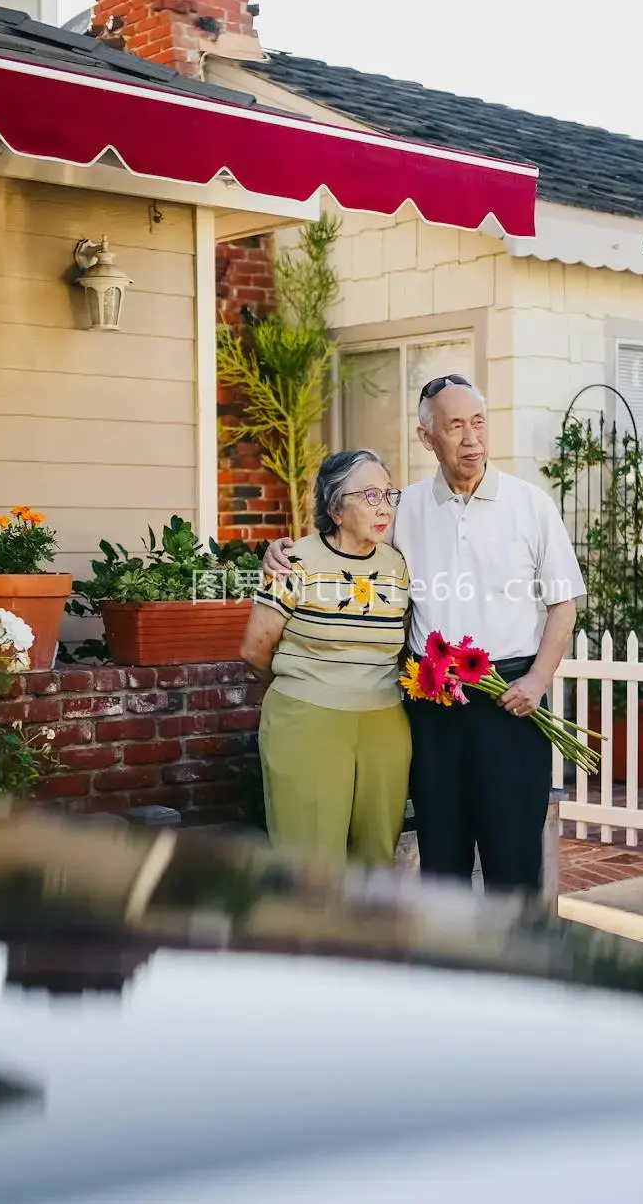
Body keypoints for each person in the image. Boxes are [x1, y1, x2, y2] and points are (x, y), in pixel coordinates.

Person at [264, 375, 584, 893]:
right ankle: (446, 969)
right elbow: (344, 539)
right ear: (426, 437)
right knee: (442, 859)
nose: (471, 438)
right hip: (429, 704)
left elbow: (564, 603)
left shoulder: (531, 506)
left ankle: (515, 968)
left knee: (513, 860)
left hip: (511, 701)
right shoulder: (403, 507)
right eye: (454, 426)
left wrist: (538, 681)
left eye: (478, 422)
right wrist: (283, 551)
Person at [240, 449, 412, 866]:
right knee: (310, 861)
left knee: (375, 856)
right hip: (307, 722)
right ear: (336, 507)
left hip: (384, 722)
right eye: (369, 496)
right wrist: (305, 688)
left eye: (389, 494)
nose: (383, 506)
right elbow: (254, 650)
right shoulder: (295, 561)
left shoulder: (397, 565)